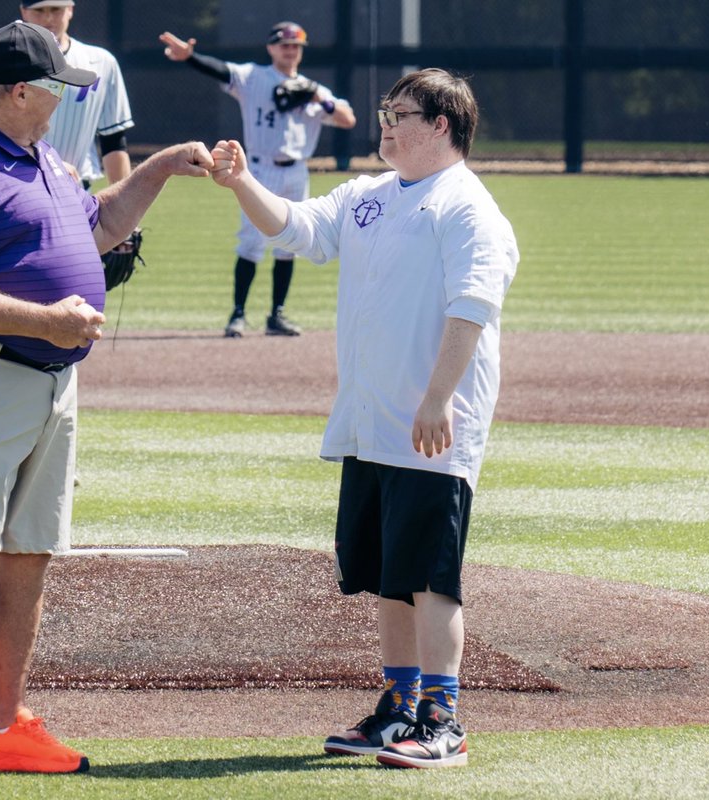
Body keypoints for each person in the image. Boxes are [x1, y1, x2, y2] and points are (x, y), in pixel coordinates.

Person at [0, 20, 212, 781]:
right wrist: (48, 321)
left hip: (49, 381)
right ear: (24, 92)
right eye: (62, 86)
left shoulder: (43, 156)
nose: (71, 97)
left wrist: (160, 168)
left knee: (28, 554)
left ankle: (4, 727)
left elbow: (95, 229)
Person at [207, 69, 518, 769]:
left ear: (441, 125)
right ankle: (398, 708)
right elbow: (295, 228)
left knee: (432, 577)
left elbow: (473, 310)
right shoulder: (370, 196)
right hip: (372, 421)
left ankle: (445, 719)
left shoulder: (467, 207)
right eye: (384, 110)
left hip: (434, 425)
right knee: (387, 572)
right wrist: (239, 183)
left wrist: (438, 399)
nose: (385, 123)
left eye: (401, 113)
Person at [160, 22, 355, 338]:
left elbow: (348, 118)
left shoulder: (311, 88)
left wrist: (320, 98)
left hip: (296, 170)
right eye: (284, 45)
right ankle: (237, 314)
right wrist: (190, 57)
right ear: (271, 48)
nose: (290, 51)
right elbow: (223, 71)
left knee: (289, 244)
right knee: (251, 242)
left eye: (296, 46)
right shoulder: (254, 77)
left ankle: (276, 315)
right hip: (259, 170)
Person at [0, 0, 134, 188]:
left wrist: (123, 205)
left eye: (55, 9)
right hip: (11, 186)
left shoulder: (102, 63)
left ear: (70, 10)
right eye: (39, 10)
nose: (48, 18)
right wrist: (49, 164)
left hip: (77, 190)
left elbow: (113, 141)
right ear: (24, 11)